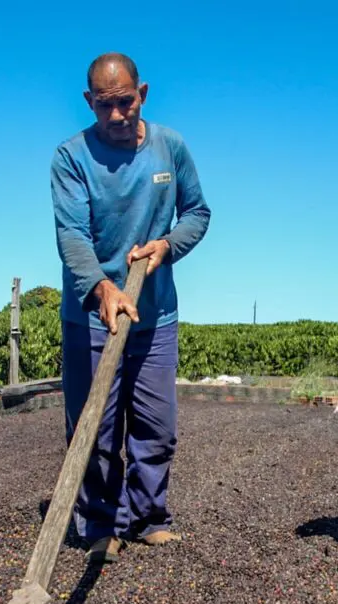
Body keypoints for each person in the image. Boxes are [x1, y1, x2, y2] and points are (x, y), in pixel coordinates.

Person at [50, 52, 211, 563]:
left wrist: (167, 247)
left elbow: (198, 212)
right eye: (104, 106)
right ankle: (99, 523)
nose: (117, 115)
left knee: (155, 425)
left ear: (142, 94)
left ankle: (146, 516)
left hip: (155, 313)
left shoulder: (170, 148)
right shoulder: (71, 158)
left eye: (125, 102)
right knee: (93, 427)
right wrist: (101, 288)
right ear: (89, 103)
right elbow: (72, 235)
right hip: (92, 317)